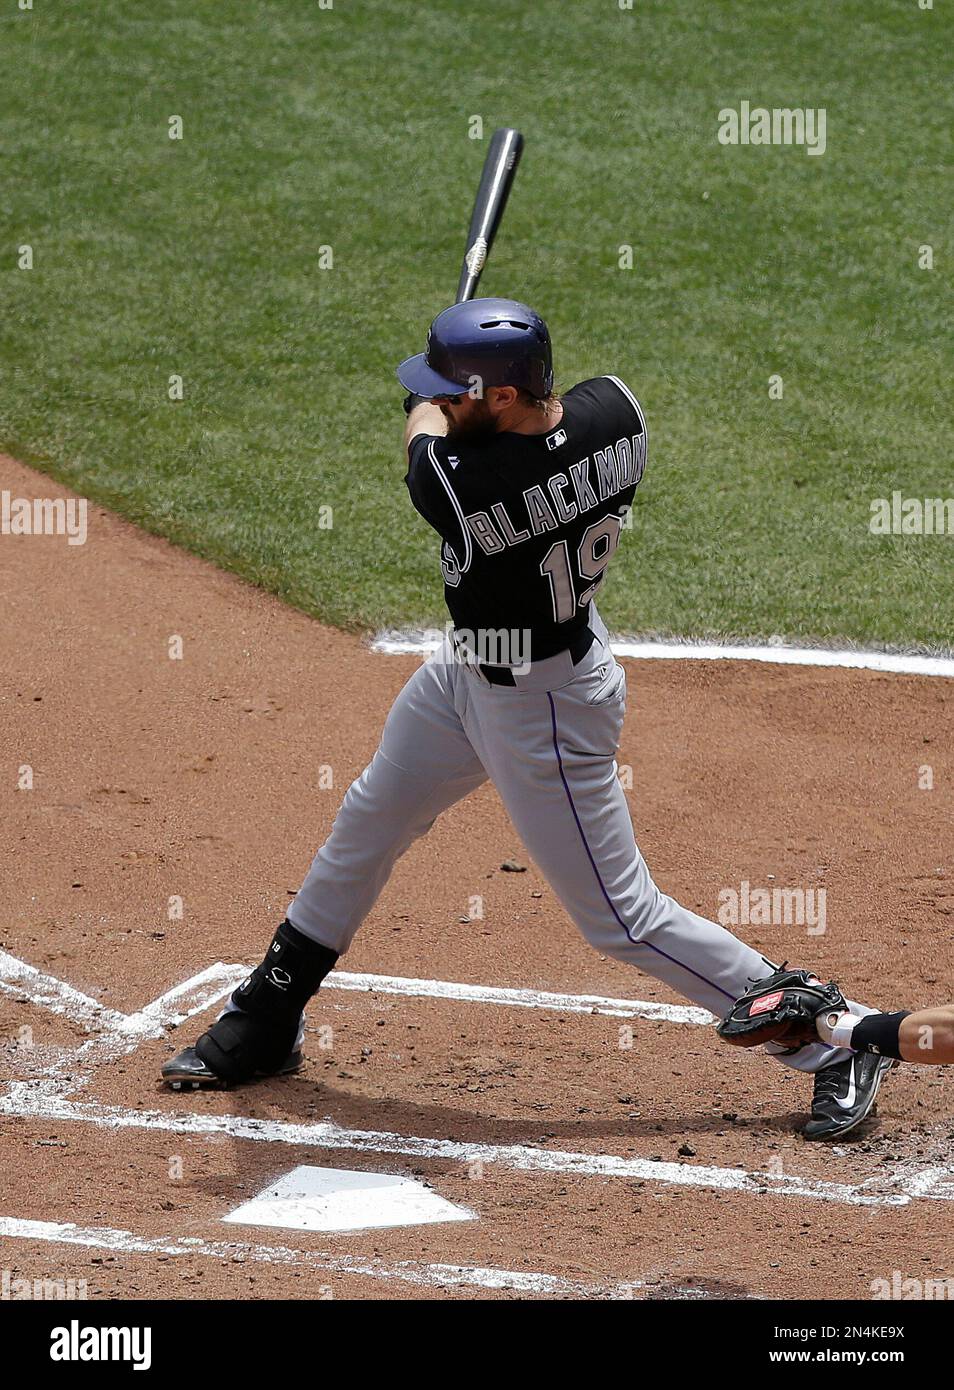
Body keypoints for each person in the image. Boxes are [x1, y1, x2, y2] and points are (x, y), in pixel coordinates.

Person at [161, 298, 892, 1140]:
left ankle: (834, 1037)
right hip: (472, 676)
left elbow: (424, 447)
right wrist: (467, 369)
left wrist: (430, 405)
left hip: (541, 709)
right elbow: (522, 415)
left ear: (501, 398)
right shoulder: (617, 412)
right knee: (371, 817)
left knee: (623, 919)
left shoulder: (467, 489)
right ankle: (268, 1014)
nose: (435, 399)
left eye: (454, 390)